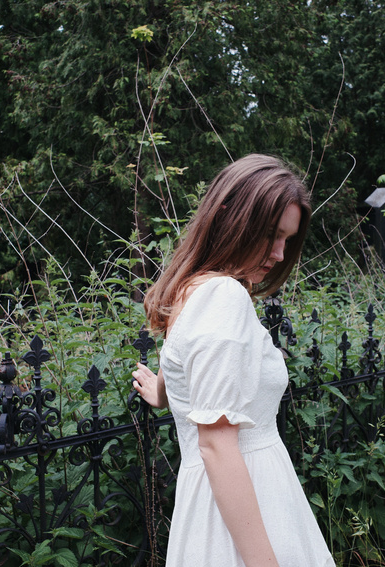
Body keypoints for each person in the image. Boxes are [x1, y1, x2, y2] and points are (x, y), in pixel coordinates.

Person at [132, 154, 335, 567]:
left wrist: (166, 393)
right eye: (272, 235)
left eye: (287, 240)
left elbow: (189, 368)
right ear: (229, 214)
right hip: (244, 512)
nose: (280, 254)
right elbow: (217, 446)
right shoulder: (223, 296)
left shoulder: (194, 290)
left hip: (222, 508)